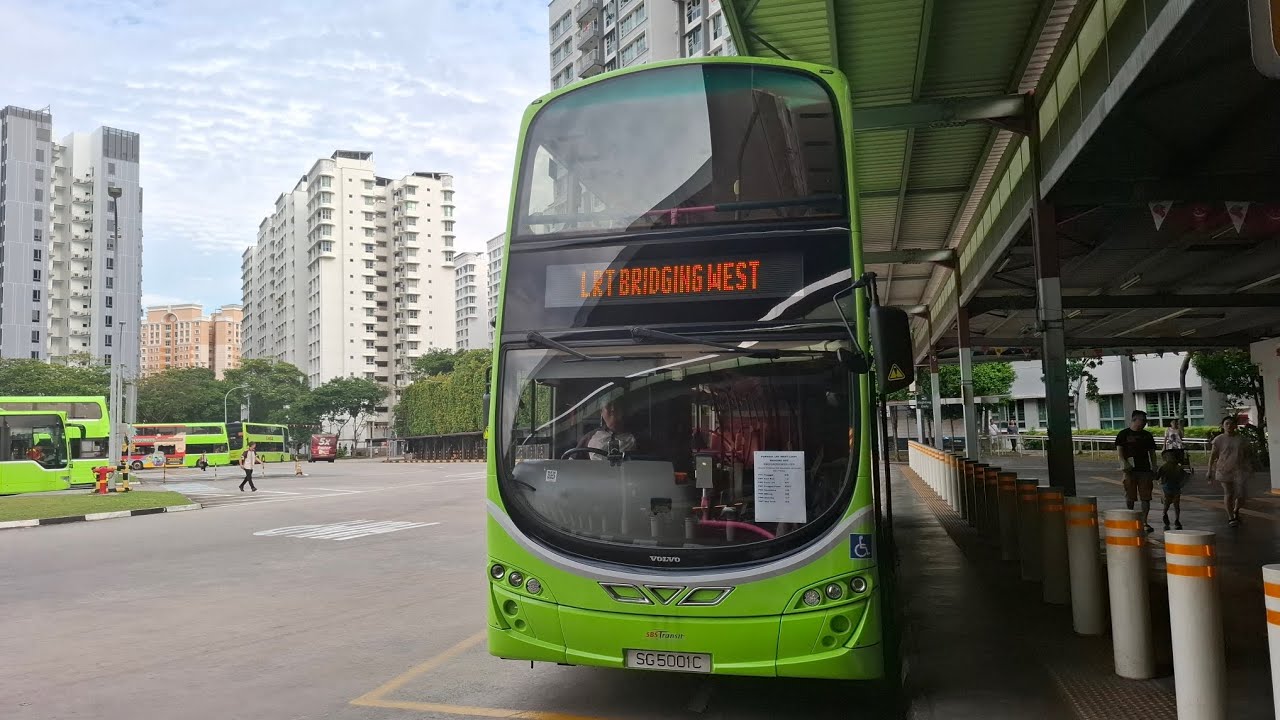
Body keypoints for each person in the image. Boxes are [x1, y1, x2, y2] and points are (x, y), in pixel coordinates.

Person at [1115, 410, 1158, 532]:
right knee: (1130, 495)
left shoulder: (1147, 435)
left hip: (1145, 470)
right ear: (1135, 419)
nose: (1144, 423)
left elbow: (1152, 452)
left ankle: (1144, 521)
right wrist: (1123, 463)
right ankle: (1131, 519)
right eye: (1142, 420)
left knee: (1146, 497)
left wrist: (1154, 466)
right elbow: (1119, 450)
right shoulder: (1123, 434)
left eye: (1145, 421)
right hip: (1130, 470)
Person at [1207, 416, 1252, 527]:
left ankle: (1236, 510)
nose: (1229, 426)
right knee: (1229, 493)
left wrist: (1250, 467)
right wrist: (1209, 470)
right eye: (1226, 423)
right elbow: (1212, 456)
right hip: (1224, 469)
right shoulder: (1218, 439)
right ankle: (1230, 517)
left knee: (1242, 494)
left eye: (1231, 423)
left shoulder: (1241, 439)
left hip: (1239, 469)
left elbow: (1247, 454)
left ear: (1235, 426)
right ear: (1223, 425)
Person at [1156, 449, 1186, 531]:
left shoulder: (1163, 467)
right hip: (1176, 488)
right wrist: (1181, 484)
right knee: (1176, 505)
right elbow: (1184, 477)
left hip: (1166, 488)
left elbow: (1157, 477)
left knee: (1167, 504)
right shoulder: (1178, 467)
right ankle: (1177, 520)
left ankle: (1165, 513)